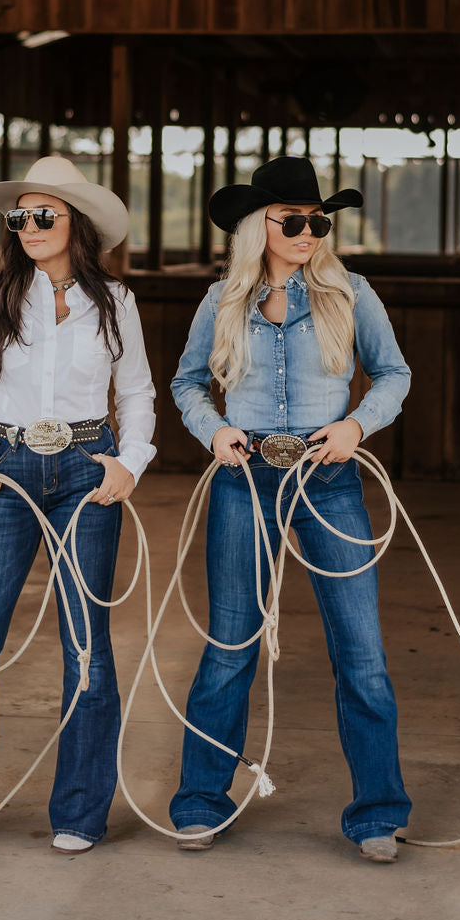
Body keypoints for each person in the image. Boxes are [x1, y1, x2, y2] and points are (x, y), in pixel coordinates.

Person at [169, 155, 412, 863]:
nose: (309, 232)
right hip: (245, 481)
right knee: (229, 646)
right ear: (259, 226)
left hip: (327, 479)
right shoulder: (221, 301)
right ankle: (200, 802)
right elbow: (186, 383)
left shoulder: (351, 292)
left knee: (360, 653)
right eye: (295, 221)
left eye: (318, 221)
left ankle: (377, 812)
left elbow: (394, 372)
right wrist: (213, 430)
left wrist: (355, 426)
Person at [0, 155, 156, 856]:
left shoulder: (114, 302)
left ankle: (80, 813)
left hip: (88, 469)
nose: (27, 226)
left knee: (88, 649)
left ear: (75, 223)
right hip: (6, 468)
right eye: (18, 216)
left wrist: (129, 463)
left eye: (43, 214)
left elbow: (136, 391)